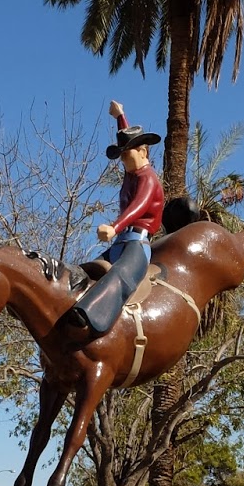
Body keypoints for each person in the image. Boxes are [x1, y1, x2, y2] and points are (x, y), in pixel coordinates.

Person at [66, 100, 164, 337]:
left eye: (126, 154)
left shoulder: (148, 178)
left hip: (137, 246)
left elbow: (138, 206)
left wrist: (114, 226)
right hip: (119, 244)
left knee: (120, 276)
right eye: (121, 156)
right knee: (81, 272)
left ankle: (88, 315)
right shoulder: (132, 172)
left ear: (143, 151)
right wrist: (120, 116)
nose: (123, 160)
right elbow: (128, 139)